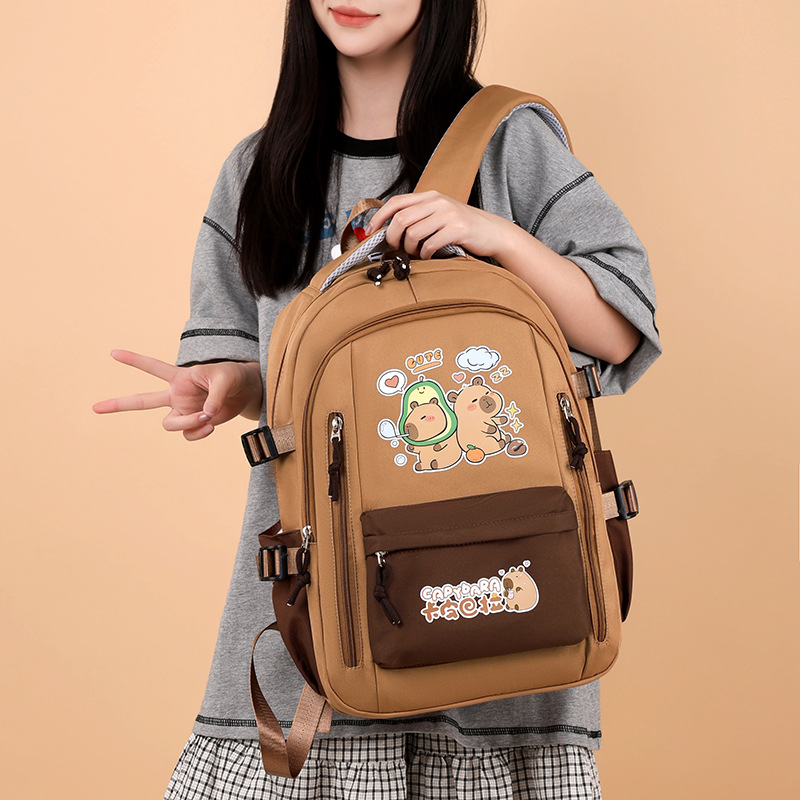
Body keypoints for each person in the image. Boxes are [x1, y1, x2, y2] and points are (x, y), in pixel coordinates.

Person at [94, 1, 660, 797]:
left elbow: (621, 329)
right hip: (318, 629)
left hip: (503, 634)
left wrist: (495, 236)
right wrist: (228, 385)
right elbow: (280, 375)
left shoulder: (509, 142)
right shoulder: (259, 168)